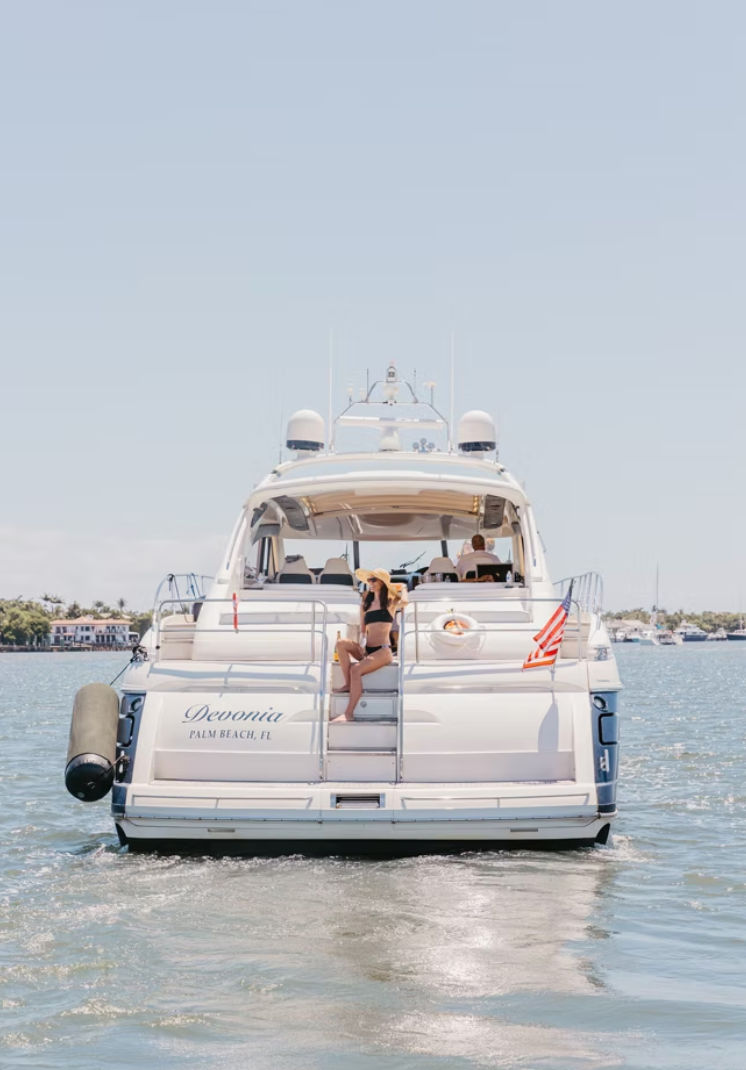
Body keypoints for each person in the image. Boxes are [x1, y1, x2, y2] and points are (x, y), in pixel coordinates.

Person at [331, 568, 404, 722]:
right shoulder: (365, 604)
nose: (370, 583)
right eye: (369, 580)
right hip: (368, 650)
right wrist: (362, 647)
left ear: (382, 583)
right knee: (341, 643)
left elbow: (405, 600)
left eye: (373, 580)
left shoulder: (390, 603)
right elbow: (363, 632)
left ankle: (348, 713)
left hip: (383, 651)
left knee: (356, 669)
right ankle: (349, 684)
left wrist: (400, 586)